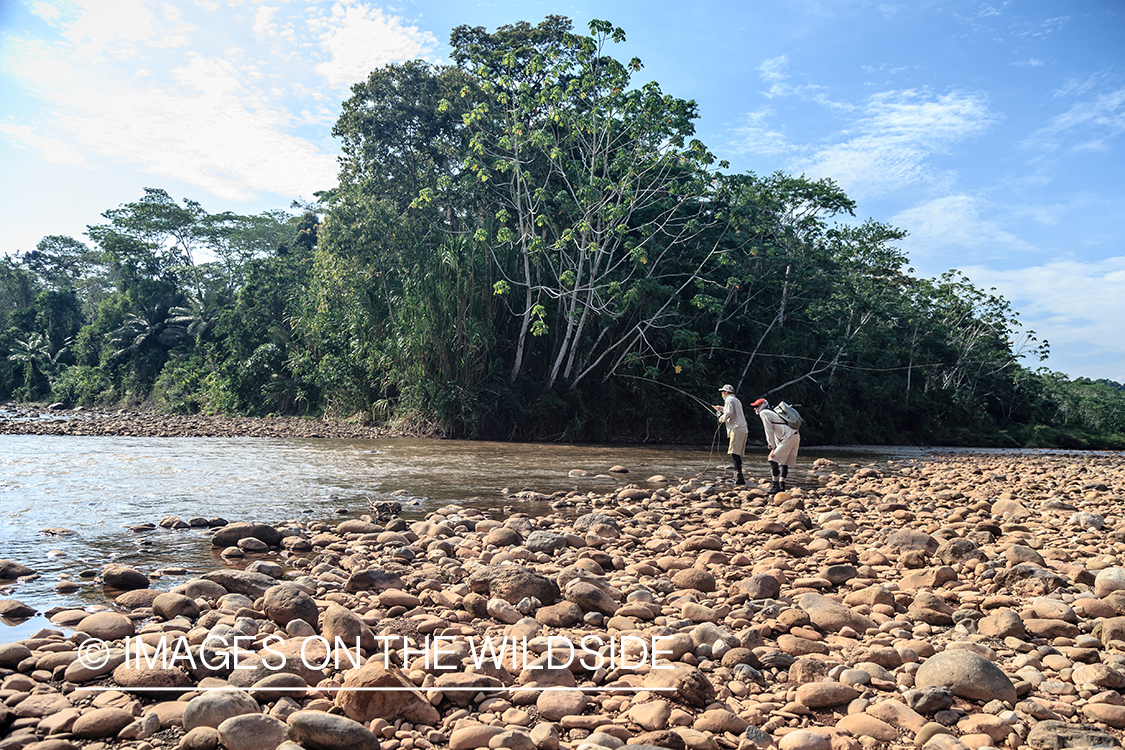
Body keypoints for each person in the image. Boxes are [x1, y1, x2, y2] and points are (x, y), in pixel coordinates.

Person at [750, 398, 800, 494]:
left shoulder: (764, 413)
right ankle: (782, 486)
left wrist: (772, 448)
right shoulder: (773, 412)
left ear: (763, 405)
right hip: (795, 435)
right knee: (784, 462)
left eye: (756, 406)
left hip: (789, 436)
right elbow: (779, 429)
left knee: (772, 459)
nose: (755, 409)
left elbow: (769, 431)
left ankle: (775, 485)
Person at [712, 384, 748, 485]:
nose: (722, 394)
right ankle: (739, 476)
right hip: (742, 429)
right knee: (737, 453)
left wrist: (721, 419)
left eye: (723, 392)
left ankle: (739, 478)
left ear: (726, 392)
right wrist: (721, 408)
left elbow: (729, 413)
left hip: (736, 429)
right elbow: (729, 410)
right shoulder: (735, 400)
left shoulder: (729, 400)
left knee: (734, 453)